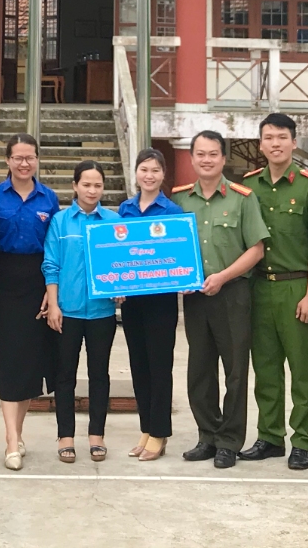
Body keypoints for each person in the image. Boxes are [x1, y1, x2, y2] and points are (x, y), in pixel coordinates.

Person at [174, 130, 268, 469]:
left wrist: (222, 277)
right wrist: (177, 278)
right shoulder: (181, 200)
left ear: (224, 158)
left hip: (232, 294)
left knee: (235, 371)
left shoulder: (242, 198)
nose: (207, 160)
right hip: (195, 296)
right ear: (192, 158)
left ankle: (229, 441)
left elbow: (256, 249)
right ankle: (207, 435)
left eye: (213, 154)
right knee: (199, 369)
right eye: (200, 154)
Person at [239, 114, 308, 470]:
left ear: (294, 142)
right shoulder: (248, 186)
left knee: (303, 370)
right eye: (268, 138)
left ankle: (302, 441)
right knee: (265, 368)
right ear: (260, 144)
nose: (275, 143)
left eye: (282, 137)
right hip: (259, 287)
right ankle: (270, 436)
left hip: (296, 286)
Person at [0, 133, 60, 470]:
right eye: (18, 157)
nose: (24, 163)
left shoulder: (49, 198)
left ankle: (18, 431)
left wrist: (50, 289)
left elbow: (54, 248)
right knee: (8, 358)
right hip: (4, 281)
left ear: (37, 160)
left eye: (30, 157)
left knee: (31, 361)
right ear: (8, 161)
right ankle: (11, 441)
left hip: (38, 281)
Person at [42, 161, 121, 463]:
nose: (92, 190)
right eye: (86, 184)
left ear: (103, 188)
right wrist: (53, 304)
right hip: (68, 312)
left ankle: (96, 435)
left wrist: (123, 286)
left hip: (102, 313)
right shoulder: (60, 222)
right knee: (65, 377)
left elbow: (122, 264)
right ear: (75, 186)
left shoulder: (113, 221)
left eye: (97, 185)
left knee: (99, 375)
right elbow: (51, 265)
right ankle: (65, 436)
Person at [118, 147, 183, 461]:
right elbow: (117, 256)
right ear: (136, 173)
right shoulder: (125, 209)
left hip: (161, 301)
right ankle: (146, 428)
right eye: (144, 169)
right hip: (132, 301)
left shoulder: (172, 212)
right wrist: (114, 285)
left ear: (163, 175)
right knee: (138, 365)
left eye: (155, 170)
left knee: (159, 366)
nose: (149, 175)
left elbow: (179, 254)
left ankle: (159, 433)